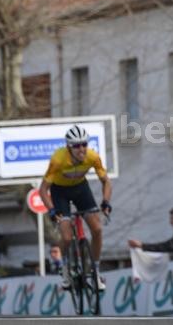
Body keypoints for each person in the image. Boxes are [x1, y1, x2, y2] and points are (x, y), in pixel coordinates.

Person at [39, 124, 112, 290]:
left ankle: (95, 271)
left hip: (81, 190)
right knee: (65, 236)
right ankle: (64, 268)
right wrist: (51, 209)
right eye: (77, 145)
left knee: (97, 229)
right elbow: (43, 190)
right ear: (68, 147)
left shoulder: (92, 157)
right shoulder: (58, 160)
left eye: (84, 144)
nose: (81, 149)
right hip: (60, 193)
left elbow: (106, 181)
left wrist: (106, 201)